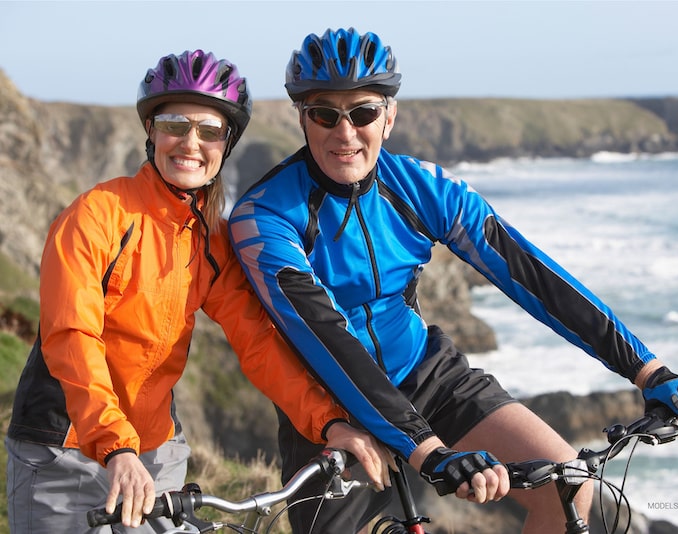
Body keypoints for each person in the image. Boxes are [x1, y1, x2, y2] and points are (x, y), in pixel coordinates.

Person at [229, 28, 678, 534]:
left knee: (571, 482)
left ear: (389, 117)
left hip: (429, 376)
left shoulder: (423, 188)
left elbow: (532, 277)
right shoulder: (264, 217)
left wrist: (649, 371)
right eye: (325, 113)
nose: (345, 131)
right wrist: (428, 452)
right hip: (331, 407)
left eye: (363, 112)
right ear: (303, 119)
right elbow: (327, 337)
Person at [4, 49, 391, 534]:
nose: (191, 142)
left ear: (225, 144)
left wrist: (329, 423)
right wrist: (116, 446)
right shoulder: (96, 215)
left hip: (157, 453)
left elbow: (258, 341)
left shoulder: (210, 239)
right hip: (66, 450)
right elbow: (71, 336)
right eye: (174, 124)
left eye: (209, 131)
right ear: (151, 131)